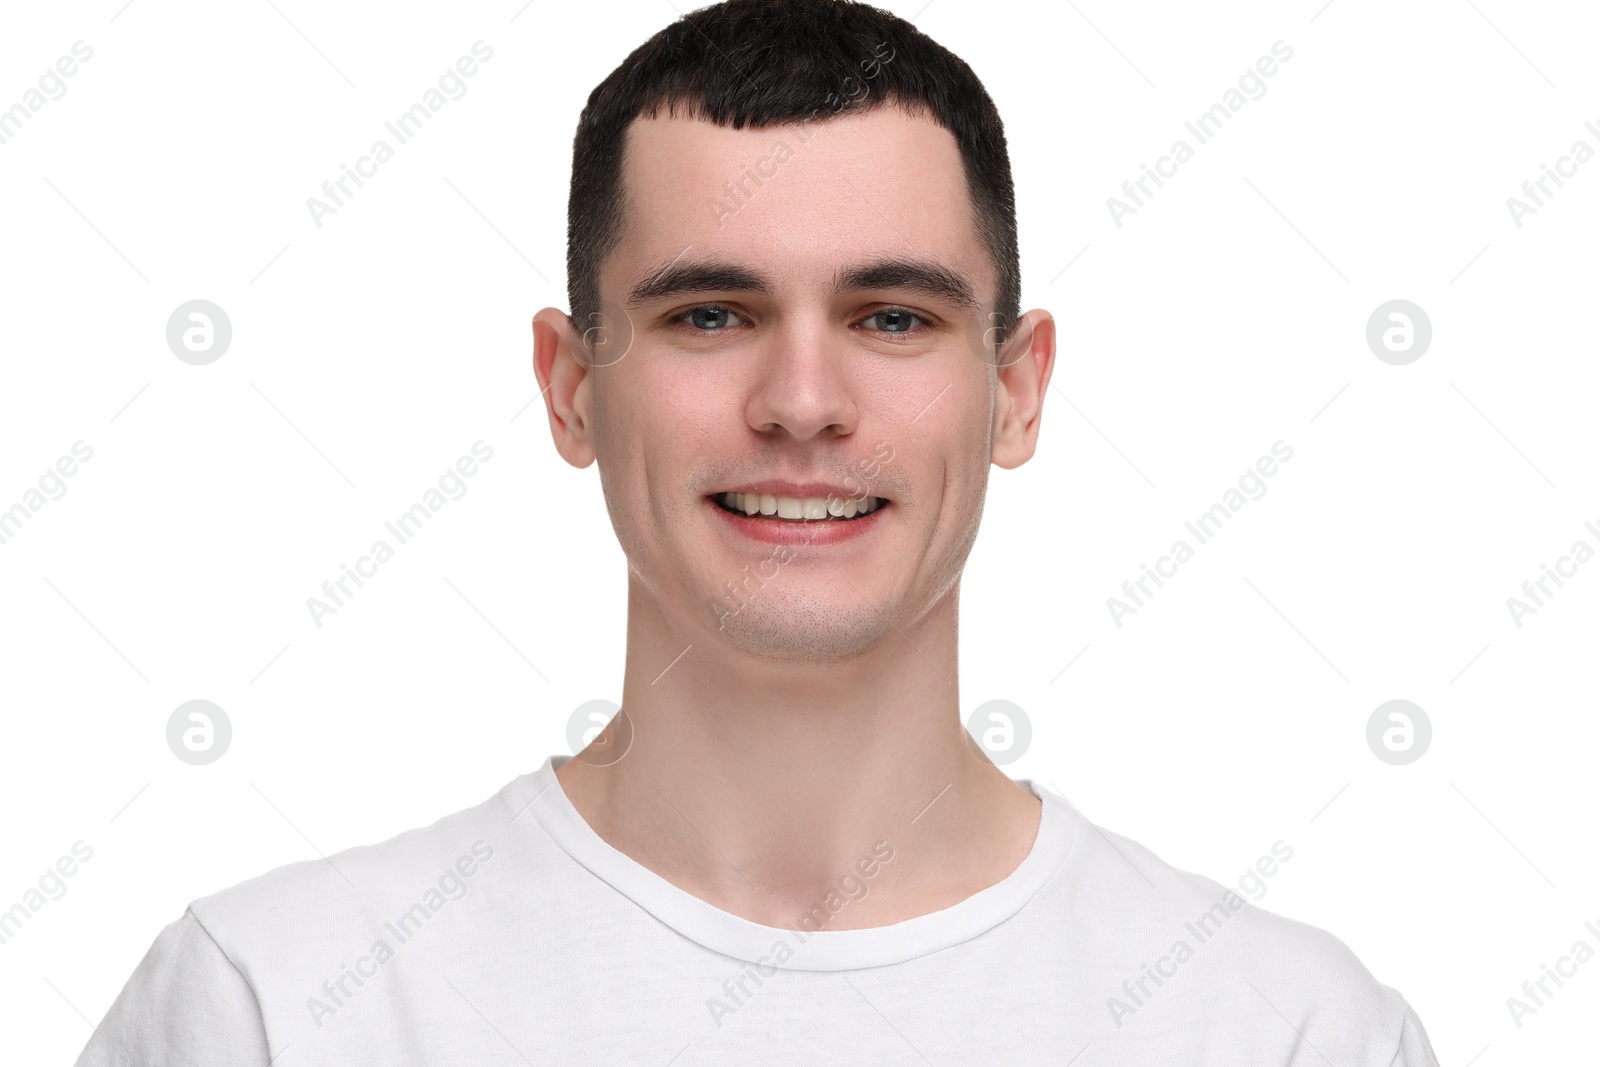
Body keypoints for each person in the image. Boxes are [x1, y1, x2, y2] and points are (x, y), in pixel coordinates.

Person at [75, 1, 1439, 1062]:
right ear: (570, 386)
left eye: (892, 317)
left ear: (1016, 388)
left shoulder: (1288, 1035)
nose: (801, 403)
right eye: (709, 315)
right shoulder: (279, 1014)